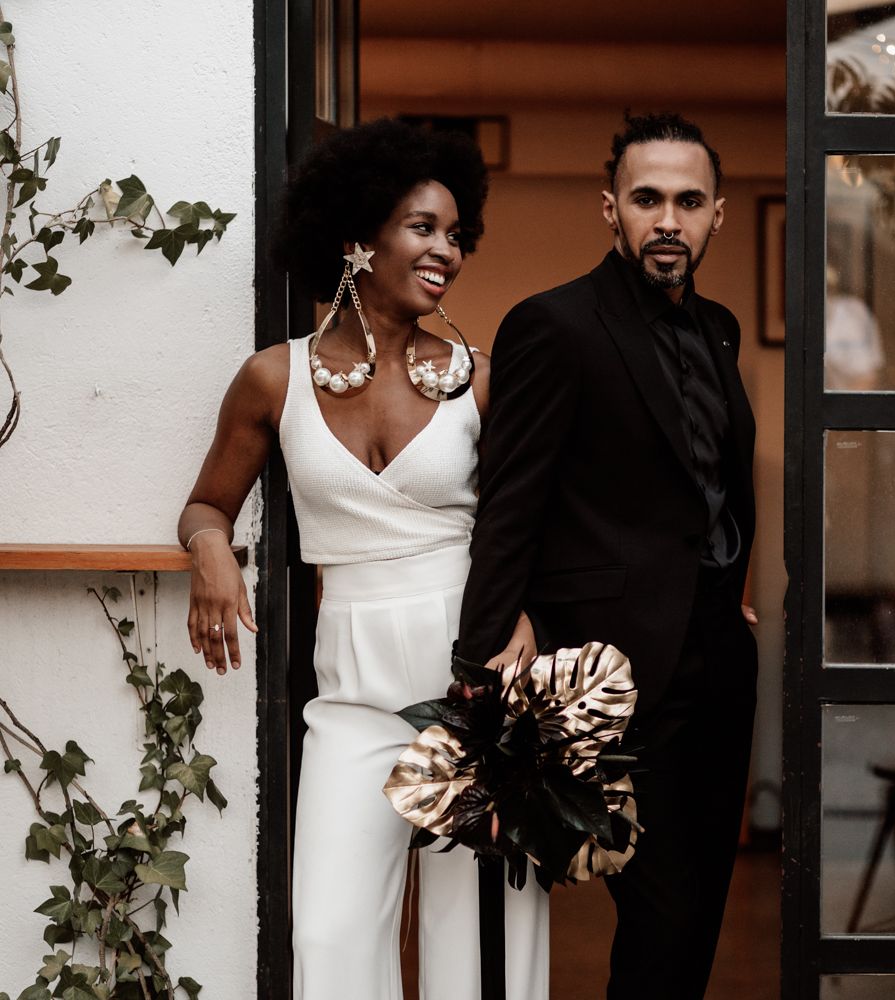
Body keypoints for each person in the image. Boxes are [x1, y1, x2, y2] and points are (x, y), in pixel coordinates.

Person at [177, 119, 548, 1000]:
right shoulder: (275, 378)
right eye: (424, 228)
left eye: (457, 235)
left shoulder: (478, 377)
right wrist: (209, 550)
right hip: (351, 696)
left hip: (476, 678)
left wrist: (522, 612)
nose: (448, 251)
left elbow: (523, 521)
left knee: (479, 948)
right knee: (332, 936)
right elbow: (206, 503)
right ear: (356, 236)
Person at [456, 112, 758, 1000]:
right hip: (607, 665)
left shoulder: (723, 328)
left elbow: (715, 481)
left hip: (718, 655)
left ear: (717, 216)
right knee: (659, 911)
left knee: (702, 905)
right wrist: (481, 660)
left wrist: (730, 585)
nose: (669, 219)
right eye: (648, 199)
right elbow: (510, 498)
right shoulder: (553, 325)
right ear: (611, 208)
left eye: (689, 201)